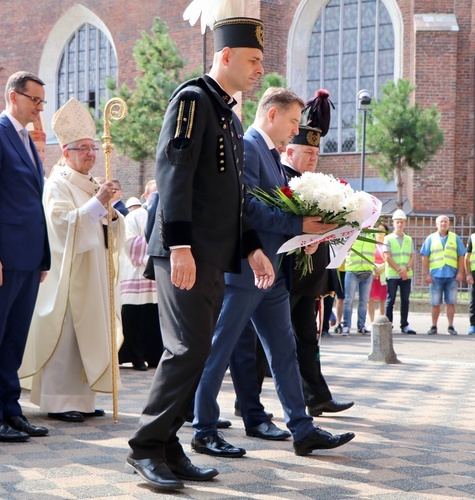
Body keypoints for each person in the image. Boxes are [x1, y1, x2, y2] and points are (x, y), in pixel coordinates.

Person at [125, 17, 275, 491]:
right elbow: (173, 175)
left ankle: (169, 447)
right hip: (184, 251)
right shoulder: (193, 100)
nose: (258, 71)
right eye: (252, 61)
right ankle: (146, 446)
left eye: (261, 63)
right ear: (225, 55)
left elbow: (230, 194)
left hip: (213, 253)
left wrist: (250, 248)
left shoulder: (228, 114)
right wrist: (181, 245)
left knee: (196, 350)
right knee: (186, 349)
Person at [191, 87, 353, 463]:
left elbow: (275, 206)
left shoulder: (269, 154)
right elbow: (244, 205)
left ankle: (302, 429)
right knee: (220, 349)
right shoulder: (248, 146)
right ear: (273, 115)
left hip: (274, 272)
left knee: (284, 351)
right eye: (294, 120)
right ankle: (203, 430)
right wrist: (298, 223)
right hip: (248, 270)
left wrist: (304, 236)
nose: (296, 128)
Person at [19, 98, 122, 423]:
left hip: (94, 271)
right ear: (65, 153)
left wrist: (113, 214)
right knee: (68, 333)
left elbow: (109, 227)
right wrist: (98, 204)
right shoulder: (57, 185)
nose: (91, 154)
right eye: (82, 149)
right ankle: (59, 401)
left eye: (93, 148)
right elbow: (60, 226)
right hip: (70, 272)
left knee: (89, 334)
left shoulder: (92, 184)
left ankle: (85, 400)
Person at [0, 71, 51, 443]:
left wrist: (43, 257)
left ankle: (10, 411)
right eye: (35, 100)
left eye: (41, 102)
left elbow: (34, 204)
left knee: (15, 339)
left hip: (28, 258)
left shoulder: (27, 141)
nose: (39, 107)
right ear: (13, 96)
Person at [282, 103, 353, 418]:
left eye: (316, 154)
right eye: (307, 153)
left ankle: (318, 397)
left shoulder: (321, 185)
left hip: (309, 278)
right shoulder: (281, 180)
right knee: (267, 340)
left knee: (307, 339)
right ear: (289, 153)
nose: (313, 158)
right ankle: (249, 401)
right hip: (285, 275)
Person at [119, 180, 164, 371]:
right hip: (137, 274)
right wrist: (155, 252)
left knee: (155, 318)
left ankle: (154, 356)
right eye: (153, 194)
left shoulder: (165, 212)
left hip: (158, 276)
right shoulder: (135, 216)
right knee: (135, 318)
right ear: (145, 196)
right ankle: (136, 357)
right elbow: (128, 241)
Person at [420, 215, 465, 335]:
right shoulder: (431, 238)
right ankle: (434, 326)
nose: (443, 223)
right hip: (436, 275)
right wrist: (426, 274)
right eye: (441, 222)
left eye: (445, 221)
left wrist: (460, 272)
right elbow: (425, 257)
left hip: (451, 275)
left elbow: (461, 256)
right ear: (436, 224)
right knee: (435, 303)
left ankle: (450, 326)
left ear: (449, 224)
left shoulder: (455, 238)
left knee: (451, 302)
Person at [383, 209, 417, 334]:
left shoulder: (409, 239)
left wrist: (406, 269)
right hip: (393, 274)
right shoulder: (388, 238)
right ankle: (388, 324)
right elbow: (387, 257)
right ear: (393, 223)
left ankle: (404, 325)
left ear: (405, 224)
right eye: (397, 222)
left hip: (406, 274)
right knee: (390, 300)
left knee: (405, 300)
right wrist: (399, 270)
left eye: (402, 222)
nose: (400, 224)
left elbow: (413, 256)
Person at [341, 229, 376, 335]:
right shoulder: (352, 230)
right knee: (348, 300)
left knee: (364, 302)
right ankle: (346, 326)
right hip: (352, 269)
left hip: (367, 270)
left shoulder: (372, 232)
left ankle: (361, 326)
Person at [368, 223, 388, 324]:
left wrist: (381, 268)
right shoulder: (371, 243)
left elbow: (388, 258)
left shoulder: (386, 244)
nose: (379, 232)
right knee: (370, 299)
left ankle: (380, 321)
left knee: (382, 299)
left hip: (383, 274)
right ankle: (372, 323)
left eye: (382, 230)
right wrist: (374, 270)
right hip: (372, 274)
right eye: (377, 230)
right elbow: (367, 257)